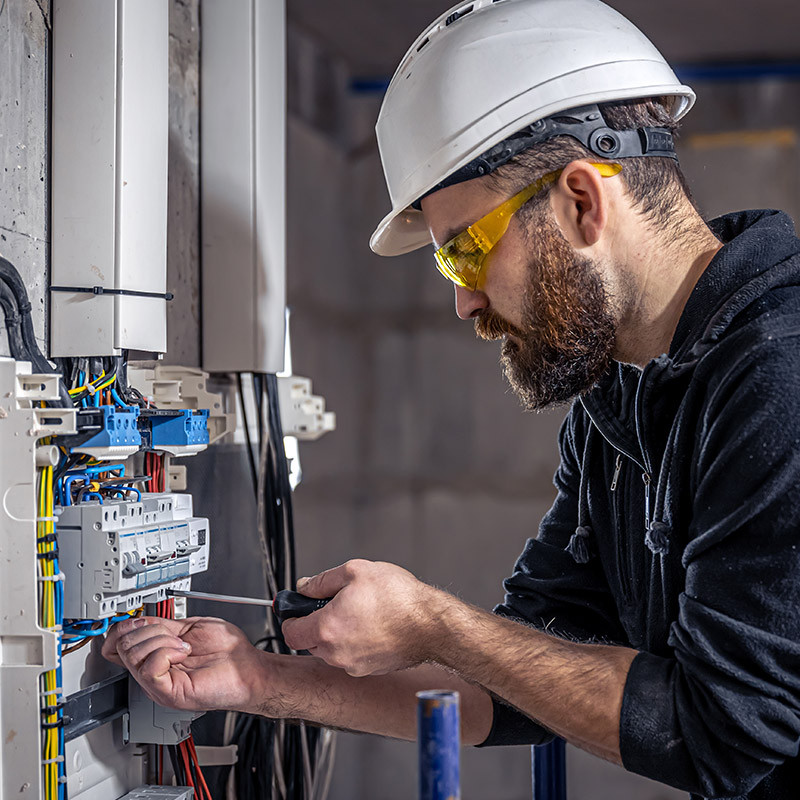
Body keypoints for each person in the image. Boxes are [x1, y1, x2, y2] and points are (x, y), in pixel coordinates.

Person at [103, 1, 800, 797]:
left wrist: (437, 623)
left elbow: (728, 733)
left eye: (466, 251)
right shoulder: (617, 404)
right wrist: (258, 680)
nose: (465, 303)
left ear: (580, 200)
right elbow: (529, 680)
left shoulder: (779, 375)